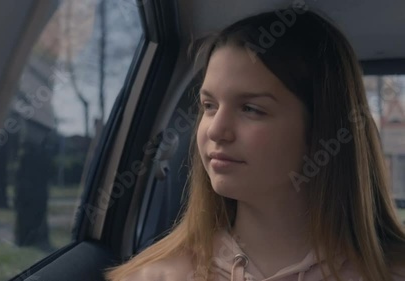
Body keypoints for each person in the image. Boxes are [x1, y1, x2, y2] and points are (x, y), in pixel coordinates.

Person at [106, 6, 405, 281]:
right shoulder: (155, 276)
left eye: (251, 109)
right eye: (209, 106)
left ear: (322, 131)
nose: (216, 130)